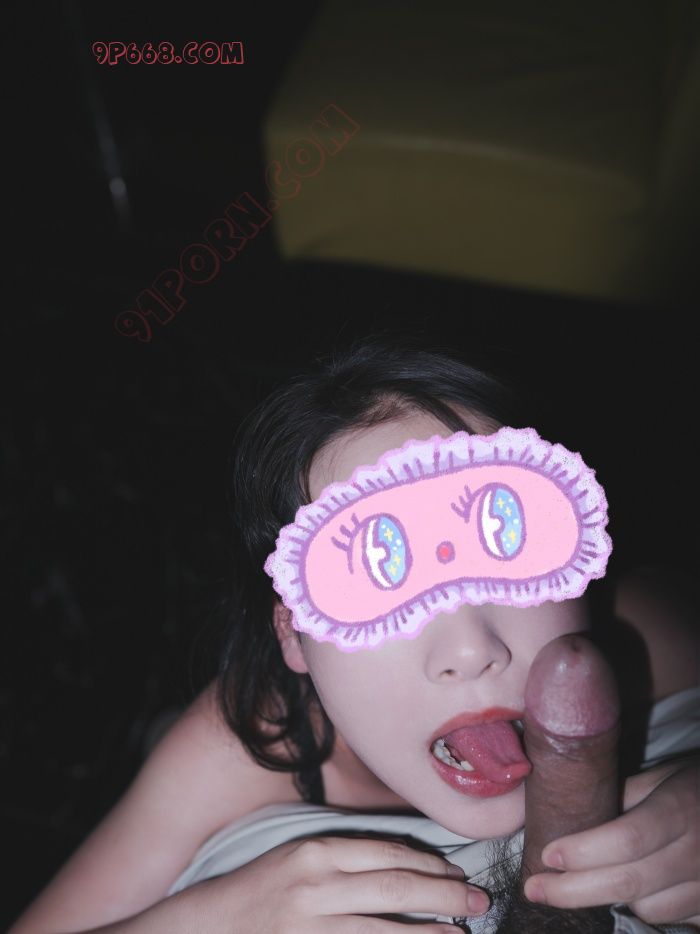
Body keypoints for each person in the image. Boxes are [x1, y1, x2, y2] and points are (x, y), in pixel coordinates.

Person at [10, 337, 699, 933]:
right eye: (377, 570)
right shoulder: (238, 749)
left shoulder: (656, 630)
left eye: (505, 534)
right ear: (293, 633)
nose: (471, 650)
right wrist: (210, 917)